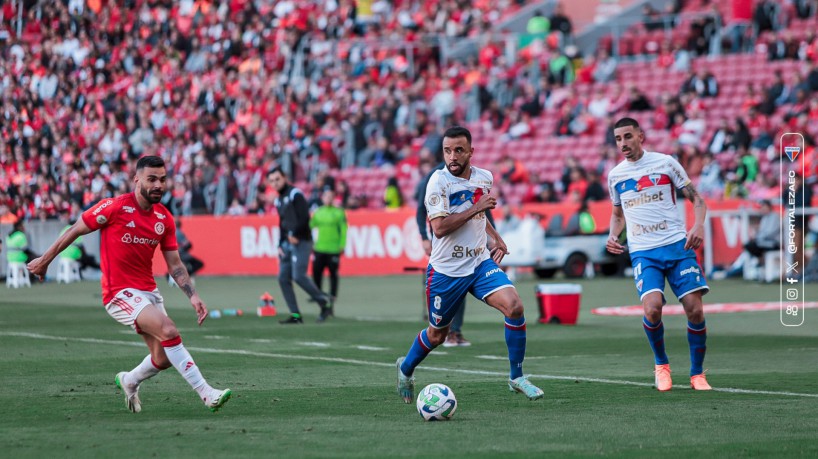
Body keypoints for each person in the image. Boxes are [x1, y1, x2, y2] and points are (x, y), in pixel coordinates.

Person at [27, 156, 231, 413]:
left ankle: (130, 380)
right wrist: (45, 261)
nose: (158, 185)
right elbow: (75, 229)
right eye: (152, 179)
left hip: (148, 291)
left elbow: (175, 264)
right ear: (137, 180)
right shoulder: (114, 207)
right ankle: (206, 393)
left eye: (162, 180)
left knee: (162, 358)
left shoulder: (164, 218)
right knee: (169, 330)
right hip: (118, 292)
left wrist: (192, 295)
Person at [397, 126, 544, 403]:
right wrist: (477, 207)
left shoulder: (483, 177)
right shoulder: (437, 182)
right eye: (447, 151)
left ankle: (516, 377)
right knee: (438, 335)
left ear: (470, 152)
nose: (452, 156)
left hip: (478, 263)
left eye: (458, 150)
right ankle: (405, 368)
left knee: (514, 306)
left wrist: (495, 238)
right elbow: (440, 228)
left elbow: (479, 215)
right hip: (446, 271)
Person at [606, 118, 712, 392]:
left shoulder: (665, 163)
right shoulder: (616, 175)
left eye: (628, 136)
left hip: (677, 246)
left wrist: (698, 225)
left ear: (640, 136)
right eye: (618, 139)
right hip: (644, 252)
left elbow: (697, 199)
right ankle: (661, 365)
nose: (623, 143)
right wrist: (613, 235)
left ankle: (697, 374)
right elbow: (618, 214)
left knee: (695, 309)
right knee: (652, 309)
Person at [267, 167, 333, 324]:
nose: (275, 183)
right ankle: (296, 315)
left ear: (285, 178)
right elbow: (282, 223)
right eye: (272, 181)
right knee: (283, 278)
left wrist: (295, 234)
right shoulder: (278, 200)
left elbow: (304, 218)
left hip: (302, 241)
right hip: (287, 243)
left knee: (298, 276)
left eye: (278, 179)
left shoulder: (295, 194)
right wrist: (280, 243)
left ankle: (324, 301)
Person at [310, 187, 347, 300]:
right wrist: (310, 243)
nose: (328, 199)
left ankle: (333, 294)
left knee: (333, 273)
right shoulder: (318, 212)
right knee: (316, 272)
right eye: (326, 196)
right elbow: (310, 226)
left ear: (334, 198)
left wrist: (342, 244)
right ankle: (317, 294)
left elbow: (343, 230)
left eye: (330, 197)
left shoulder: (339, 212)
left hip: (333, 248)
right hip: (319, 247)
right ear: (322, 198)